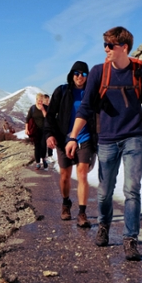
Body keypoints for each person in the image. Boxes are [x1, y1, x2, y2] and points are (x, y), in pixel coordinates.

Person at [65, 26, 142, 261]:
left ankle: (130, 239)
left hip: (134, 138)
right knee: (104, 192)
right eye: (105, 45)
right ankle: (104, 226)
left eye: (111, 45)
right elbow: (87, 108)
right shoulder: (99, 73)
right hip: (107, 140)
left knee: (132, 190)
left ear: (125, 48)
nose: (106, 49)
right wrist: (72, 136)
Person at [44, 61, 96, 227]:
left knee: (82, 174)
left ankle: (82, 213)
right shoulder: (62, 91)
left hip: (85, 138)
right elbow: (50, 115)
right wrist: (49, 135)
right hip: (63, 139)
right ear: (71, 74)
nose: (80, 77)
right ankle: (66, 203)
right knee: (65, 176)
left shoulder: (91, 93)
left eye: (84, 74)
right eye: (77, 73)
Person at [25, 93, 48, 170]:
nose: (40, 102)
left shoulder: (46, 107)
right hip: (35, 130)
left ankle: (44, 159)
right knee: (37, 146)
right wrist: (26, 129)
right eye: (39, 100)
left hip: (44, 129)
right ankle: (38, 163)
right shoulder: (33, 108)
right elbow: (27, 119)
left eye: (41, 101)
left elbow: (47, 117)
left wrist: (43, 109)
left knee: (43, 145)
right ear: (36, 100)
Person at [42, 94, 54, 161]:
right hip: (44, 126)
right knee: (44, 142)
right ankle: (44, 156)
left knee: (50, 140)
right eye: (46, 99)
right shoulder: (43, 107)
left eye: (48, 99)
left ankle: (50, 155)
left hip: (50, 126)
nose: (47, 101)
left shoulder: (49, 106)